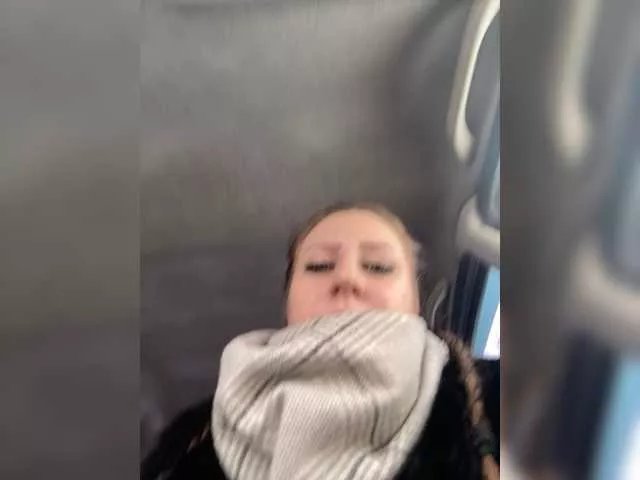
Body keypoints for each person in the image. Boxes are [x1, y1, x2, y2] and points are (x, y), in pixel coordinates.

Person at [142, 202, 499, 480]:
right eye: (319, 266)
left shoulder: (498, 396)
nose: (347, 278)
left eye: (378, 266)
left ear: (416, 303)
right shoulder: (196, 437)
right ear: (288, 304)